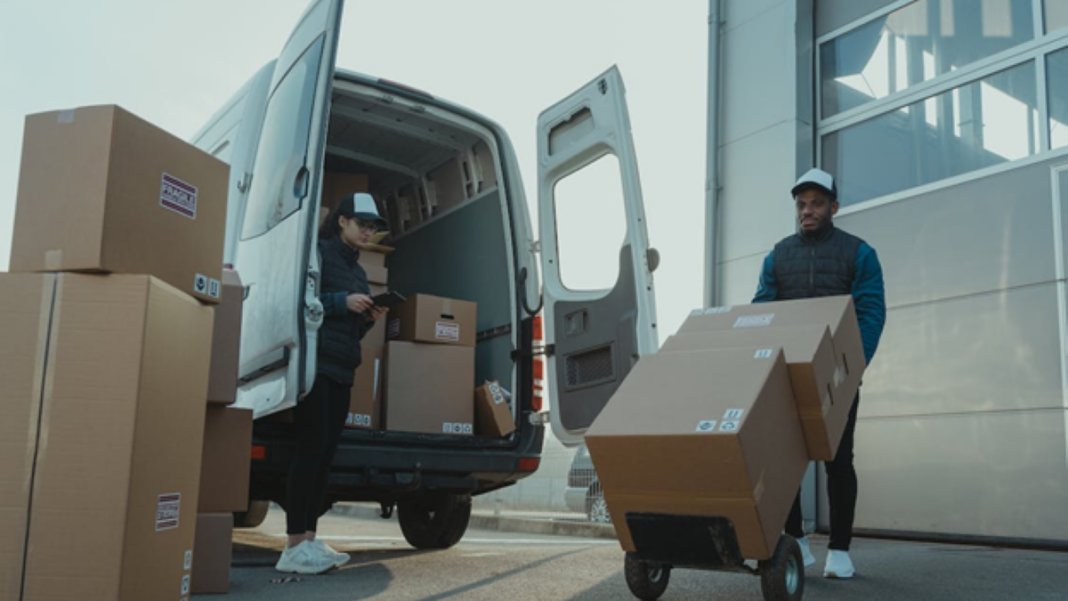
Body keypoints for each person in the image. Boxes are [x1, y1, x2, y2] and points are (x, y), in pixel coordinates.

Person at [752, 168, 886, 579]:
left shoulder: (859, 253)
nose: (807, 211)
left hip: (838, 378)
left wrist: (853, 367)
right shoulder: (778, 255)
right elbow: (762, 310)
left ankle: (840, 552)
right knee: (784, 461)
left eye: (816, 203)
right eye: (801, 204)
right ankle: (797, 541)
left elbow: (870, 312)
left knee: (838, 461)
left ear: (834, 207)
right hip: (786, 375)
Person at [275, 192, 389, 574]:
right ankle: (292, 546)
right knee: (309, 451)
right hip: (315, 364)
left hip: (343, 367)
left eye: (372, 227)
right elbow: (297, 301)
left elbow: (351, 331)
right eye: (362, 224)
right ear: (342, 221)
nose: (367, 232)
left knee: (326, 454)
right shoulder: (318, 254)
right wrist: (343, 302)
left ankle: (308, 539)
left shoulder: (358, 271)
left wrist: (369, 315)